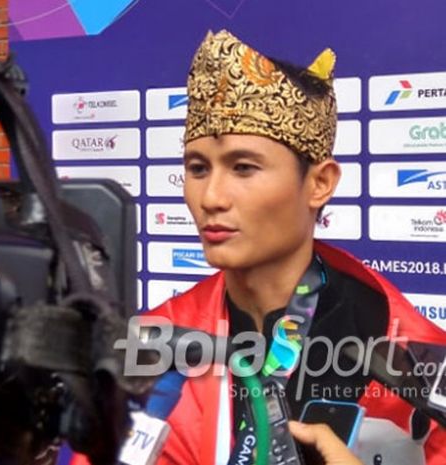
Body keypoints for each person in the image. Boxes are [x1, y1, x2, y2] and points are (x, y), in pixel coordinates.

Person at [139, 29, 446, 465]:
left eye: (243, 167)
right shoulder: (163, 335)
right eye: (197, 168)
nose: (210, 197)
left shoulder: (405, 348)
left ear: (319, 183)